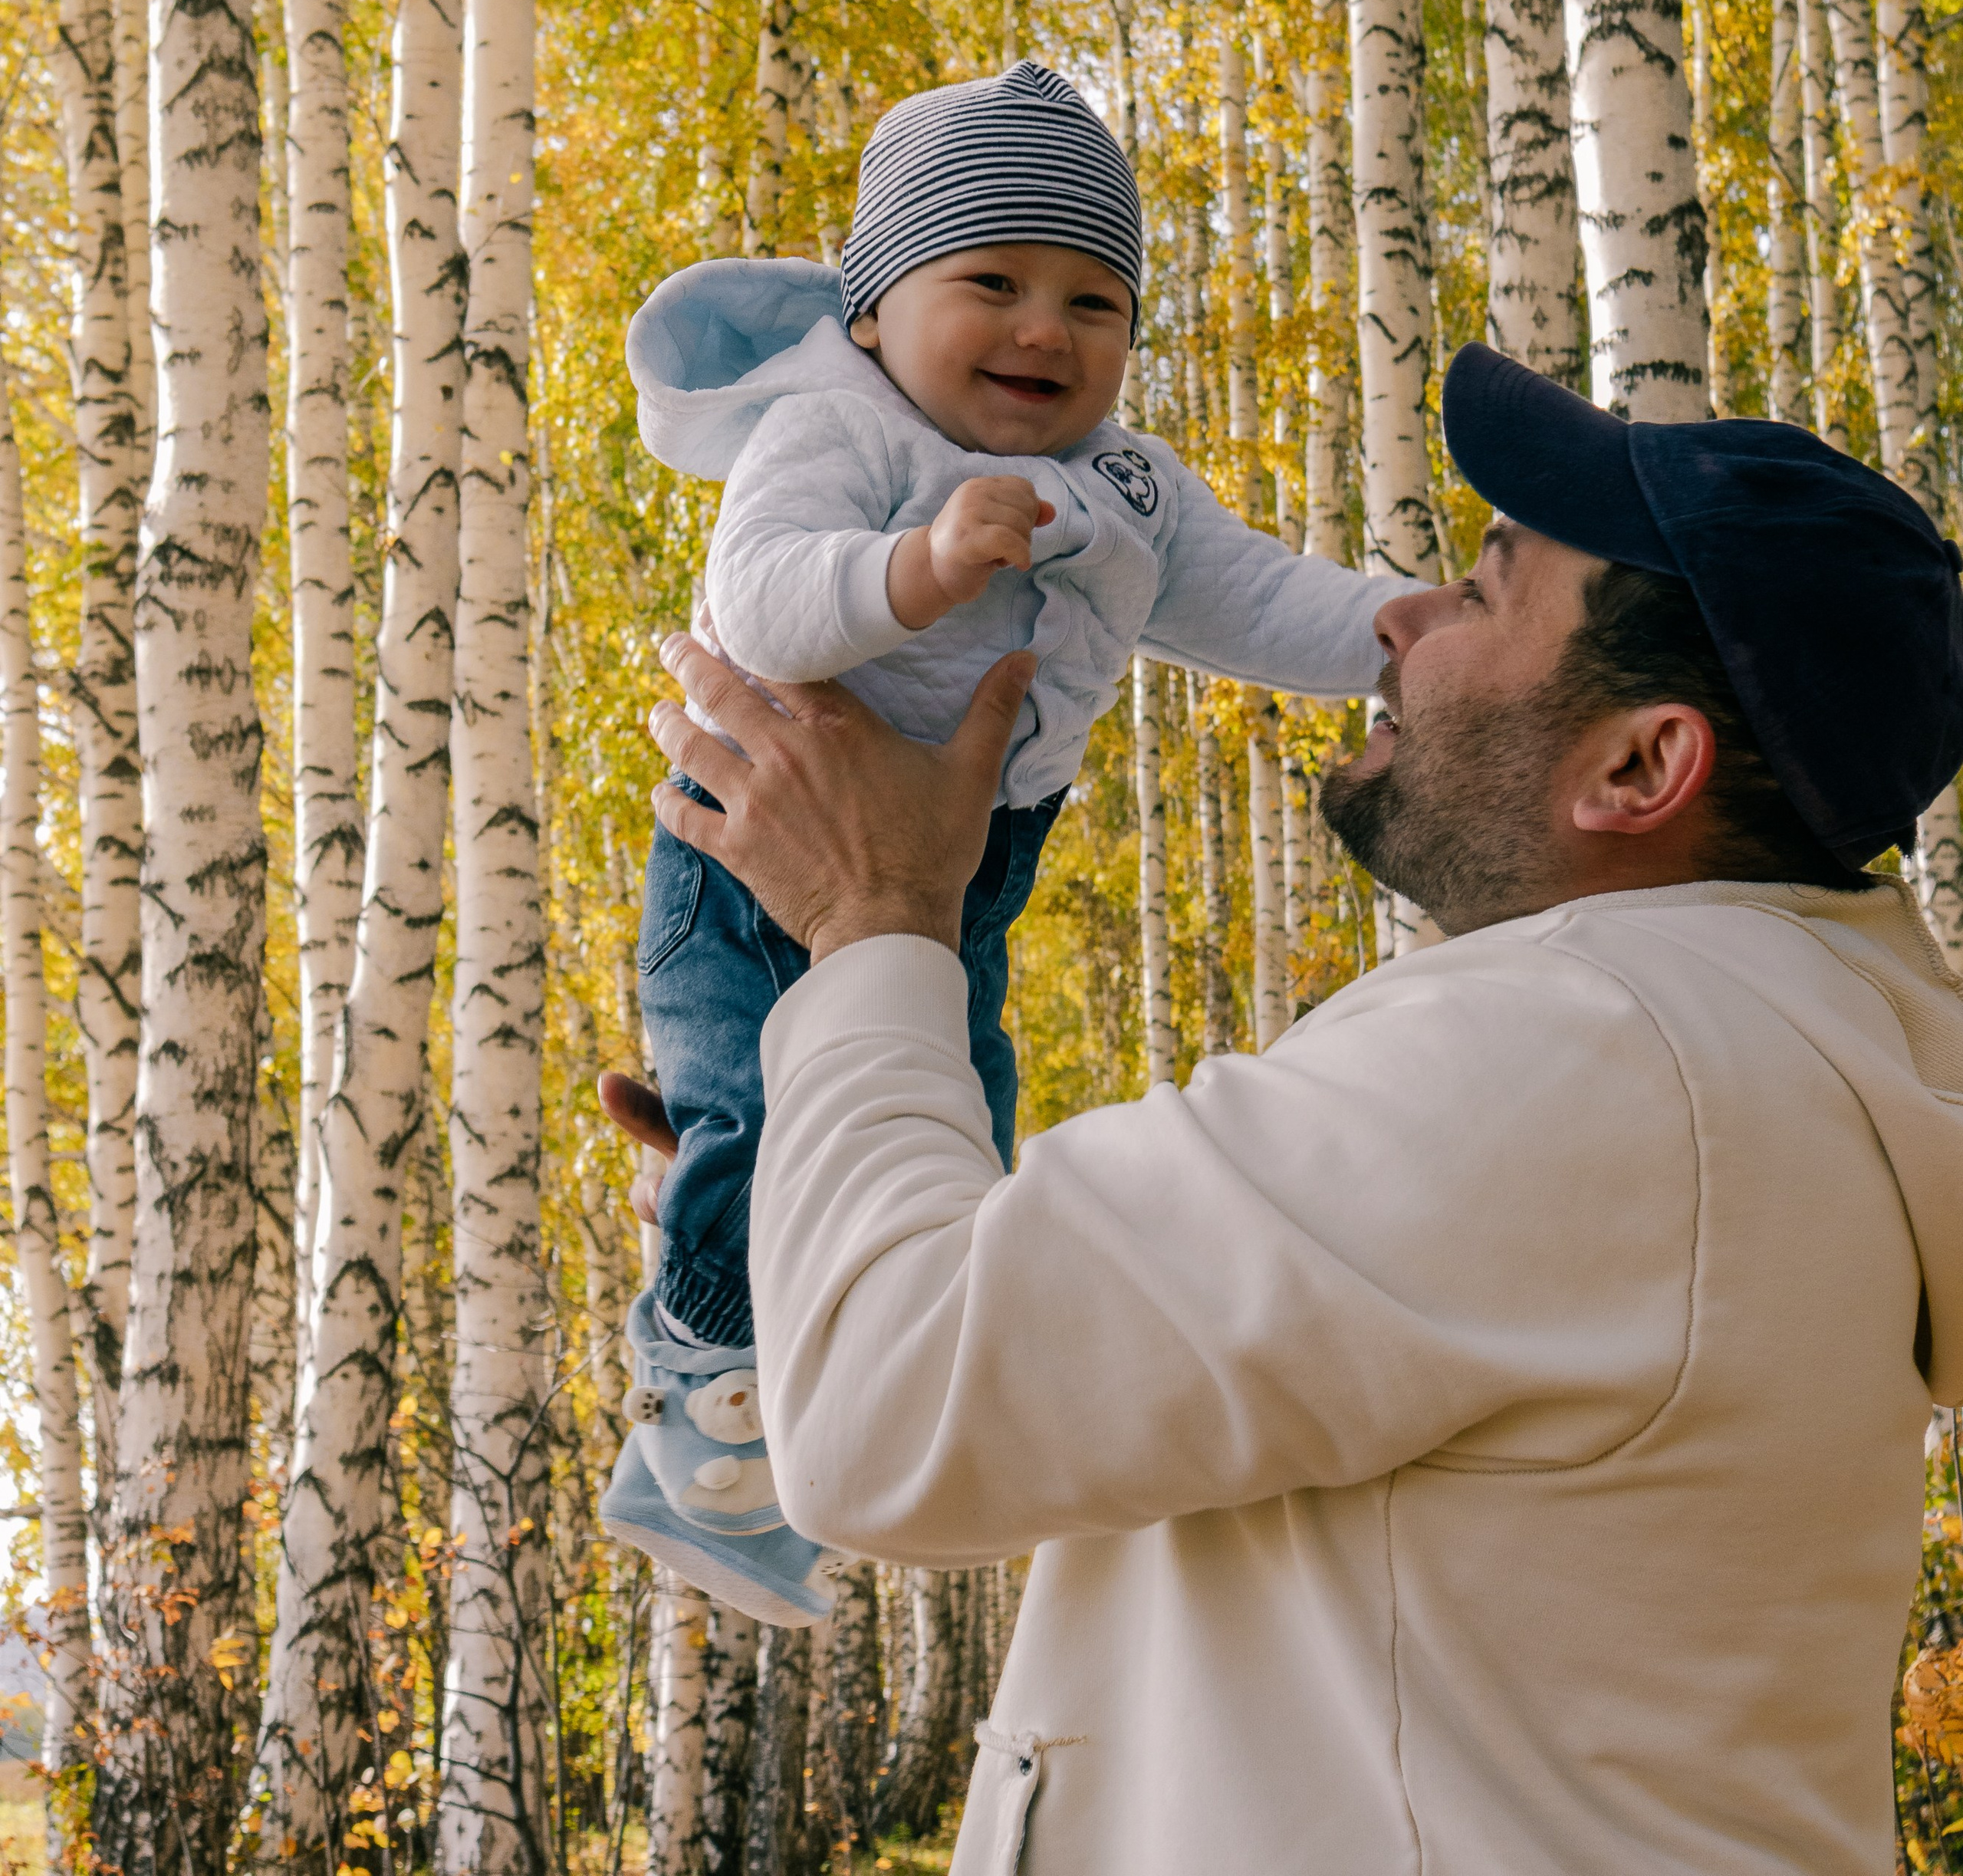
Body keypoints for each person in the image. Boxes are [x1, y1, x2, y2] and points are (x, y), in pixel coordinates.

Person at [604, 343, 1963, 1874]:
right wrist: (814, 1200)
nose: (1401, 624)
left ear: (1639, 764)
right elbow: (1048, 1376)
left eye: (1481, 594)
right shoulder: (1756, 1059)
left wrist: (877, 925)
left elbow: (888, 1414)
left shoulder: (1575, 1050)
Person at [602, 58, 1405, 1625]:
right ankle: (708, 1409)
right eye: (992, 282)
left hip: (967, 867)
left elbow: (1253, 596)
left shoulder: (1122, 485)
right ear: (871, 313)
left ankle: (824, 1402)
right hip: (757, 855)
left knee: (950, 1128)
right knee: (751, 1110)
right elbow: (761, 598)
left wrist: (1402, 636)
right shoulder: (836, 431)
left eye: (1093, 302)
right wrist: (914, 567)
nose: (1046, 329)